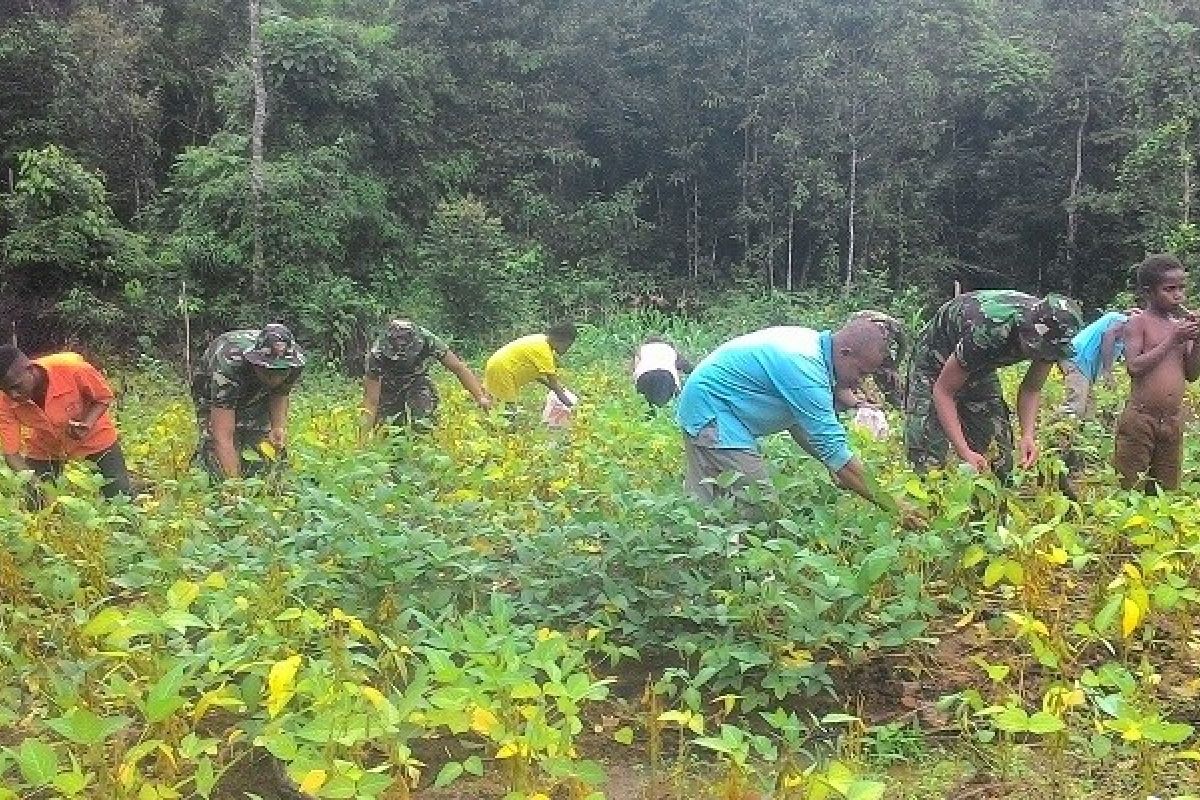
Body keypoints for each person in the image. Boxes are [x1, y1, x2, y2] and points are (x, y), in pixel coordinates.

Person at [674, 317, 923, 526]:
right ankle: (742, 573)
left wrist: (833, 465)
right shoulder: (805, 370)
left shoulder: (815, 349)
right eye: (861, 373)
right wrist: (895, 506)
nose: (859, 383)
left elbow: (802, 428)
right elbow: (836, 453)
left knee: (706, 502)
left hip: (714, 405)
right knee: (760, 508)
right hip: (713, 412)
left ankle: (700, 556)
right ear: (845, 353)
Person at [903, 290, 1082, 477]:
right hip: (935, 360)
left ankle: (984, 502)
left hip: (980, 366)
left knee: (999, 458)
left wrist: (1027, 435)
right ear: (1026, 329)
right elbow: (943, 392)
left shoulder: (1053, 338)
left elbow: (1031, 389)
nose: (1037, 355)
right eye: (1034, 348)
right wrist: (964, 451)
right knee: (927, 461)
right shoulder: (990, 329)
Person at [0, 344, 132, 500]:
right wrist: (37, 487)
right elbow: (12, 454)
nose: (13, 394)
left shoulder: (71, 368)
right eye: (6, 390)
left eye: (16, 387)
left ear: (30, 369)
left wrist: (87, 423)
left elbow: (103, 397)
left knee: (120, 497)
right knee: (35, 502)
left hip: (95, 436)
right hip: (46, 446)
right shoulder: (4, 400)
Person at [1115, 254, 1200, 492]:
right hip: (1141, 419)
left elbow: (1191, 374)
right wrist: (1173, 339)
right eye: (1169, 289)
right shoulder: (1138, 323)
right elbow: (1134, 367)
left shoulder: (1180, 327)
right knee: (1131, 484)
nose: (1178, 295)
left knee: (1166, 489)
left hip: (1172, 421)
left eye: (1182, 288)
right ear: (1148, 292)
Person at [191, 323, 305, 479]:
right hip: (212, 382)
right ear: (256, 362)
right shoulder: (228, 364)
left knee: (262, 452)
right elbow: (222, 435)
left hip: (253, 379)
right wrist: (235, 487)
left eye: (281, 372)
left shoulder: (292, 360)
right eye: (269, 371)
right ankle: (202, 469)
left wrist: (278, 427)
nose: (275, 378)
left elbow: (280, 392)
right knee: (215, 453)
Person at [361, 319, 491, 435]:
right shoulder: (376, 354)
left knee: (423, 424)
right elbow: (371, 400)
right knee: (388, 432)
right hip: (388, 386)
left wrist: (480, 397)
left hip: (417, 381)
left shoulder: (427, 339)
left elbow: (458, 367)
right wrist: (362, 441)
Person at [483, 322, 577, 413]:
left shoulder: (541, 340)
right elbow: (555, 386)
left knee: (497, 405)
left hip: (497, 364)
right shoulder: (544, 352)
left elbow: (538, 375)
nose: (567, 349)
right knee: (507, 410)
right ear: (561, 339)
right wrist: (572, 407)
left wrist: (551, 386)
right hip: (502, 370)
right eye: (568, 345)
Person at [1059, 310, 1131, 420]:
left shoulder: (1122, 322)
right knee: (1075, 407)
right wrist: (1107, 370)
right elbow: (1108, 335)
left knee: (1089, 410)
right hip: (1078, 359)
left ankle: (1077, 434)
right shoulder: (1127, 322)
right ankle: (1055, 428)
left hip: (1083, 364)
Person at [632, 335, 693, 408]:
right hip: (666, 375)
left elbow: (635, 367)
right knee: (665, 406)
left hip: (643, 376)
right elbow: (686, 367)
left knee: (646, 407)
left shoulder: (642, 349)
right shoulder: (669, 349)